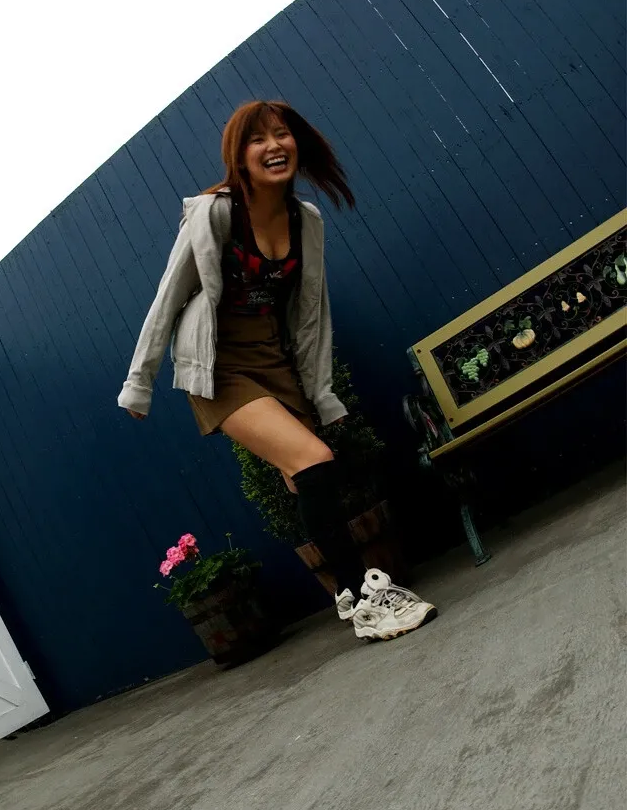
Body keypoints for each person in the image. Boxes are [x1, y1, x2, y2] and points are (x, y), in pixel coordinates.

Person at [118, 100, 436, 642]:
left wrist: (320, 393)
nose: (273, 146)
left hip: (274, 359)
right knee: (314, 460)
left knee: (303, 477)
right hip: (222, 366)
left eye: (281, 134)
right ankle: (364, 601)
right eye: (257, 139)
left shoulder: (305, 220)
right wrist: (138, 382)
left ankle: (353, 594)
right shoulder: (215, 213)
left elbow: (312, 313)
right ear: (238, 156)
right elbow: (168, 297)